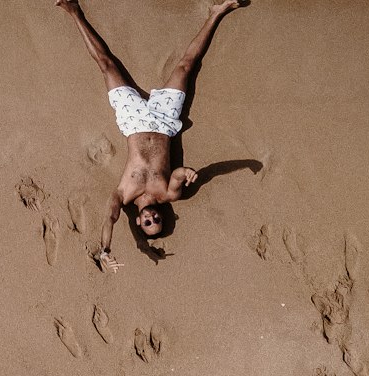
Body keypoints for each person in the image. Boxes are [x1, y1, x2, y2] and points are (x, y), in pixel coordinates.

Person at [56, 0, 243, 272]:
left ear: (138, 223)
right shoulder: (168, 194)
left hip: (132, 122)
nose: (152, 217)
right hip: (165, 123)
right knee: (185, 67)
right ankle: (217, 13)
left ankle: (73, 11)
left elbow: (109, 217)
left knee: (107, 65)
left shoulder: (124, 193)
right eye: (158, 220)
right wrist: (186, 172)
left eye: (147, 223)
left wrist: (105, 249)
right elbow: (178, 175)